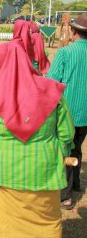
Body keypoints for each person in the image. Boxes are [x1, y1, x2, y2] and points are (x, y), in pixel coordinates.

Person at [0, 42, 74, 238]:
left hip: (1, 171)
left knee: (3, 222)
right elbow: (66, 133)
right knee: (45, 220)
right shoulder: (53, 91)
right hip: (44, 171)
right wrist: (54, 153)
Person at [46, 12, 87, 210]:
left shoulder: (65, 52)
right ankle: (77, 185)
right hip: (85, 113)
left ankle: (66, 196)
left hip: (69, 111)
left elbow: (51, 82)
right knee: (77, 147)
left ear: (73, 31)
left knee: (66, 150)